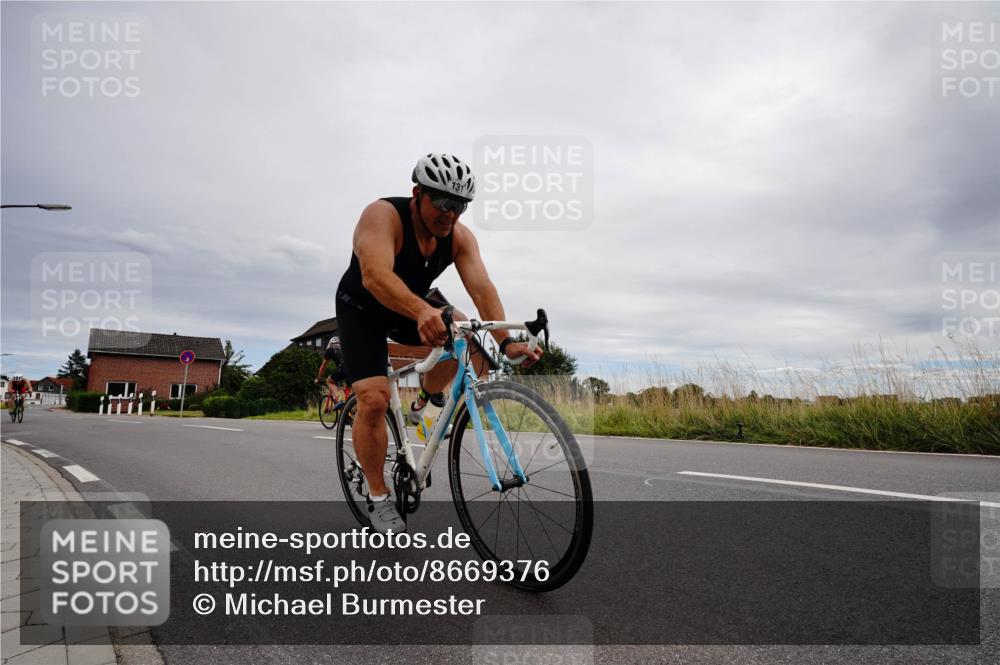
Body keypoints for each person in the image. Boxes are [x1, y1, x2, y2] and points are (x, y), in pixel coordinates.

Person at [335, 152, 543, 533]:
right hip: (363, 305)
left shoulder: (458, 237)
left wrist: (508, 343)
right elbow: (375, 274)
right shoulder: (383, 216)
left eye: (460, 206)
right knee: (375, 399)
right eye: (444, 203)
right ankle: (379, 499)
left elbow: (482, 288)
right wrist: (420, 311)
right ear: (417, 194)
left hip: (408, 305)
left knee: (461, 327)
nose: (451, 214)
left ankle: (424, 400)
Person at [314, 338, 351, 406]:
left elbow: (323, 366)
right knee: (349, 390)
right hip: (353, 370)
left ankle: (340, 399)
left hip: (343, 369)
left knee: (329, 381)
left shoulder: (329, 350)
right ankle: (351, 408)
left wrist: (318, 378)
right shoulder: (346, 348)